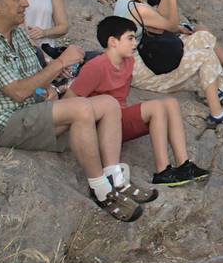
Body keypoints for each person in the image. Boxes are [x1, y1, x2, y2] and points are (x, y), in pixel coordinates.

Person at [0, 0, 148, 222]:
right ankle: (101, 191)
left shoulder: (17, 33)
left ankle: (114, 178)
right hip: (1, 124)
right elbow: (17, 91)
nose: (26, 3)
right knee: (81, 110)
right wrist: (60, 63)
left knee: (109, 105)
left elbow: (32, 81)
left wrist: (47, 89)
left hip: (30, 110)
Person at [70, 16, 209, 187]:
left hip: (118, 121)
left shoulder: (129, 62)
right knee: (156, 107)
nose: (134, 44)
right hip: (101, 126)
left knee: (171, 103)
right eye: (129, 38)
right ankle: (162, 171)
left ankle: (183, 165)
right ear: (113, 41)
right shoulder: (95, 66)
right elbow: (70, 100)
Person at [112, 0, 223, 127]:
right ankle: (217, 113)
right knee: (204, 56)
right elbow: (170, 25)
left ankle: (214, 91)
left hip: (145, 55)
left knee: (203, 37)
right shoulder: (140, 8)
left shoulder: (126, 0)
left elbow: (157, 22)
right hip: (139, 69)